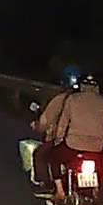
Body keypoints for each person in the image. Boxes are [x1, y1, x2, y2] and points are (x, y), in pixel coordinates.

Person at [42, 73, 103, 204]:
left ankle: (60, 191)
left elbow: (63, 123)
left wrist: (58, 139)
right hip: (96, 146)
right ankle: (95, 191)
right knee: (100, 166)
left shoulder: (73, 99)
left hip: (73, 144)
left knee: (53, 157)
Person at [29, 67, 83, 197]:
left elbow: (45, 121)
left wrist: (38, 126)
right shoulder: (87, 101)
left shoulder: (61, 100)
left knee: (40, 154)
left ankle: (48, 186)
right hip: (91, 142)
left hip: (65, 140)